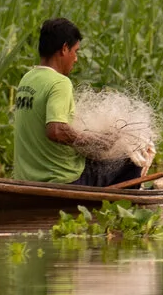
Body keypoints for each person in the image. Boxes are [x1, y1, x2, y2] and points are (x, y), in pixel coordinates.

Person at [9, 17, 144, 187]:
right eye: (76, 51)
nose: (76, 58)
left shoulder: (27, 79)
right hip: (62, 179)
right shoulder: (60, 83)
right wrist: (94, 141)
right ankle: (116, 204)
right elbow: (56, 131)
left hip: (26, 178)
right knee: (131, 160)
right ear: (64, 48)